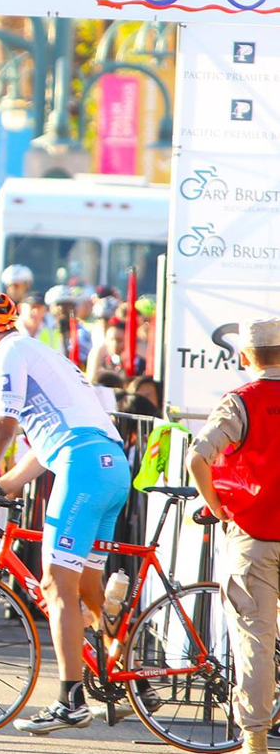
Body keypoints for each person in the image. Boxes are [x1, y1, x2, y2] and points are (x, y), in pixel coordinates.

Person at [0, 291, 130, 734]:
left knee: (54, 583)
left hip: (82, 468)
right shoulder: (38, 351)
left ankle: (70, 700)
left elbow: (3, 425)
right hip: (110, 466)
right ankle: (131, 682)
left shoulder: (7, 351)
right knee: (88, 587)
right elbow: (43, 448)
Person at [187, 318, 280, 754]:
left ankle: (255, 739)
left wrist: (217, 506)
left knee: (255, 638)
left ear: (245, 356)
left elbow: (197, 458)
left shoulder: (240, 401)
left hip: (253, 534)